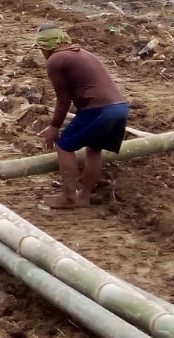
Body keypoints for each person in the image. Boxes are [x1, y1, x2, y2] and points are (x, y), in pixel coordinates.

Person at [34, 24, 130, 209]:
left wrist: (54, 127)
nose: (42, 53)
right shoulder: (83, 53)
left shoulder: (55, 59)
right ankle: (84, 197)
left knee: (64, 146)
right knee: (94, 149)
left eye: (41, 49)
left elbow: (64, 99)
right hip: (119, 108)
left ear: (46, 46)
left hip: (98, 109)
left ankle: (69, 197)